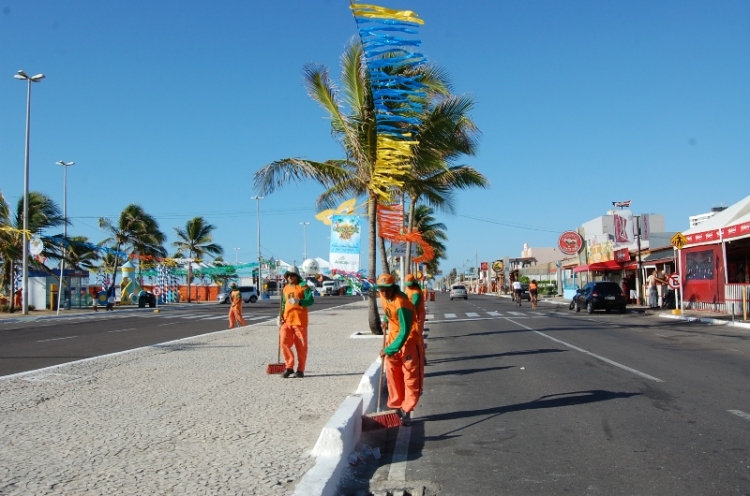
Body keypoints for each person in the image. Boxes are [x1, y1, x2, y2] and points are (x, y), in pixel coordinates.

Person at [377, 273, 422, 426]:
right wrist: (385, 319)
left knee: (410, 378)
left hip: (408, 342)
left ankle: (408, 410)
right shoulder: (384, 297)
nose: (384, 292)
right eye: (381, 289)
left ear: (393, 288)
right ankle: (396, 406)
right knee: (393, 376)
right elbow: (387, 311)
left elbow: (405, 330)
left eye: (387, 289)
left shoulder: (402, 303)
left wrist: (390, 349)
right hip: (393, 339)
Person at [278, 265, 314, 378]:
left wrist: (299, 301)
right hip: (287, 320)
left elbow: (310, 301)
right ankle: (289, 367)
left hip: (300, 321)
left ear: (297, 276)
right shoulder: (285, 288)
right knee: (283, 342)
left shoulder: (304, 287)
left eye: (291, 275)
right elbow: (283, 304)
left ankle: (300, 370)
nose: (289, 277)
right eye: (287, 275)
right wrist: (280, 316)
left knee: (301, 346)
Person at [403, 274, 426, 393]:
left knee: (417, 334)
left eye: (409, 284)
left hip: (418, 315)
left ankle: (421, 354)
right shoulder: (407, 289)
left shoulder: (416, 292)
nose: (408, 286)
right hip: (411, 314)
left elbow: (414, 306)